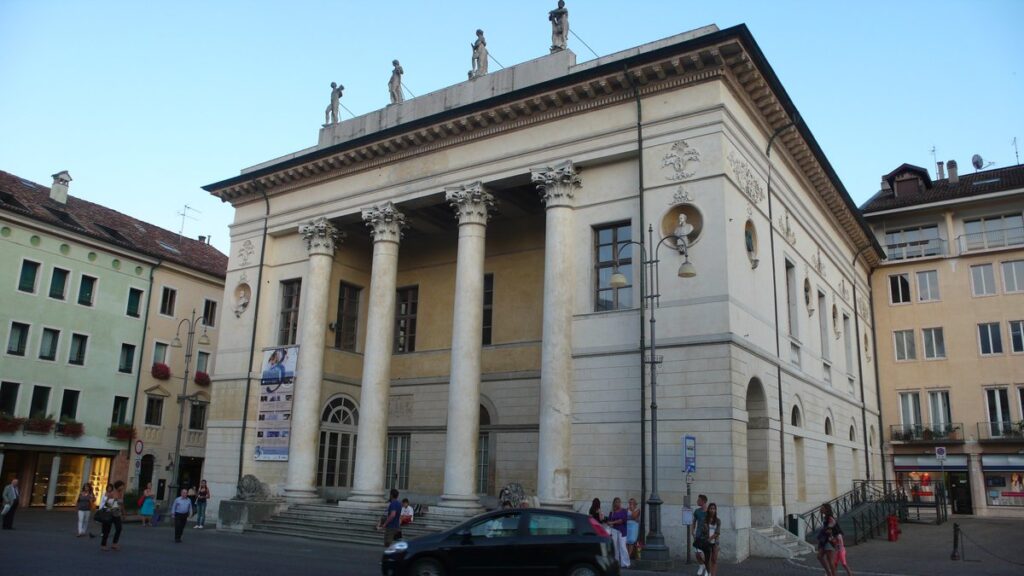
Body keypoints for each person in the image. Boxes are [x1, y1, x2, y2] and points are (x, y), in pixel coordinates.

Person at [99, 481, 124, 551]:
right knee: (107, 530)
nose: (123, 487)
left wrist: (123, 513)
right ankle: (103, 545)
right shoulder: (112, 494)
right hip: (110, 513)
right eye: (122, 486)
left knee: (119, 528)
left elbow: (122, 504)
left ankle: (114, 543)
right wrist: (114, 501)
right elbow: (107, 504)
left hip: (117, 514)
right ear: (118, 486)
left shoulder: (121, 494)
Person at [607, 497, 631, 568]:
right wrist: (609, 522)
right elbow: (609, 521)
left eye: (619, 502)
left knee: (622, 546)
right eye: (616, 502)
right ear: (614, 503)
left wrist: (612, 522)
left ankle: (626, 563)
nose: (618, 503)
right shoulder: (612, 512)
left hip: (622, 531)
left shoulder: (623, 511)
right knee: (615, 547)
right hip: (614, 530)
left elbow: (622, 520)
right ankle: (616, 562)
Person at [816, 503, 838, 576]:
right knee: (819, 556)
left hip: (829, 541)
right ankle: (829, 573)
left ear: (826, 509)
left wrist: (827, 529)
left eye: (822, 508)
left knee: (830, 560)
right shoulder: (826, 517)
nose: (820, 509)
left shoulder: (830, 518)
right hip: (824, 540)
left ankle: (832, 574)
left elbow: (833, 526)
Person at [692, 494, 710, 576]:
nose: (697, 501)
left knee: (705, 554)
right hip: (698, 536)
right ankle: (701, 566)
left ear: (703, 501)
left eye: (698, 500)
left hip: (706, 537)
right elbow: (694, 521)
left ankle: (707, 570)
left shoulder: (709, 512)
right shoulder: (697, 511)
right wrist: (692, 531)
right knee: (697, 554)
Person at [703, 502, 722, 576]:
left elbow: (717, 532)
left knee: (714, 560)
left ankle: (713, 574)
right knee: (707, 560)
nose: (712, 510)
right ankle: (709, 573)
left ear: (715, 510)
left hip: (715, 543)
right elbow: (703, 531)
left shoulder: (718, 521)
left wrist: (710, 538)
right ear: (708, 510)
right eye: (711, 508)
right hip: (707, 543)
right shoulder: (705, 520)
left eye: (714, 509)